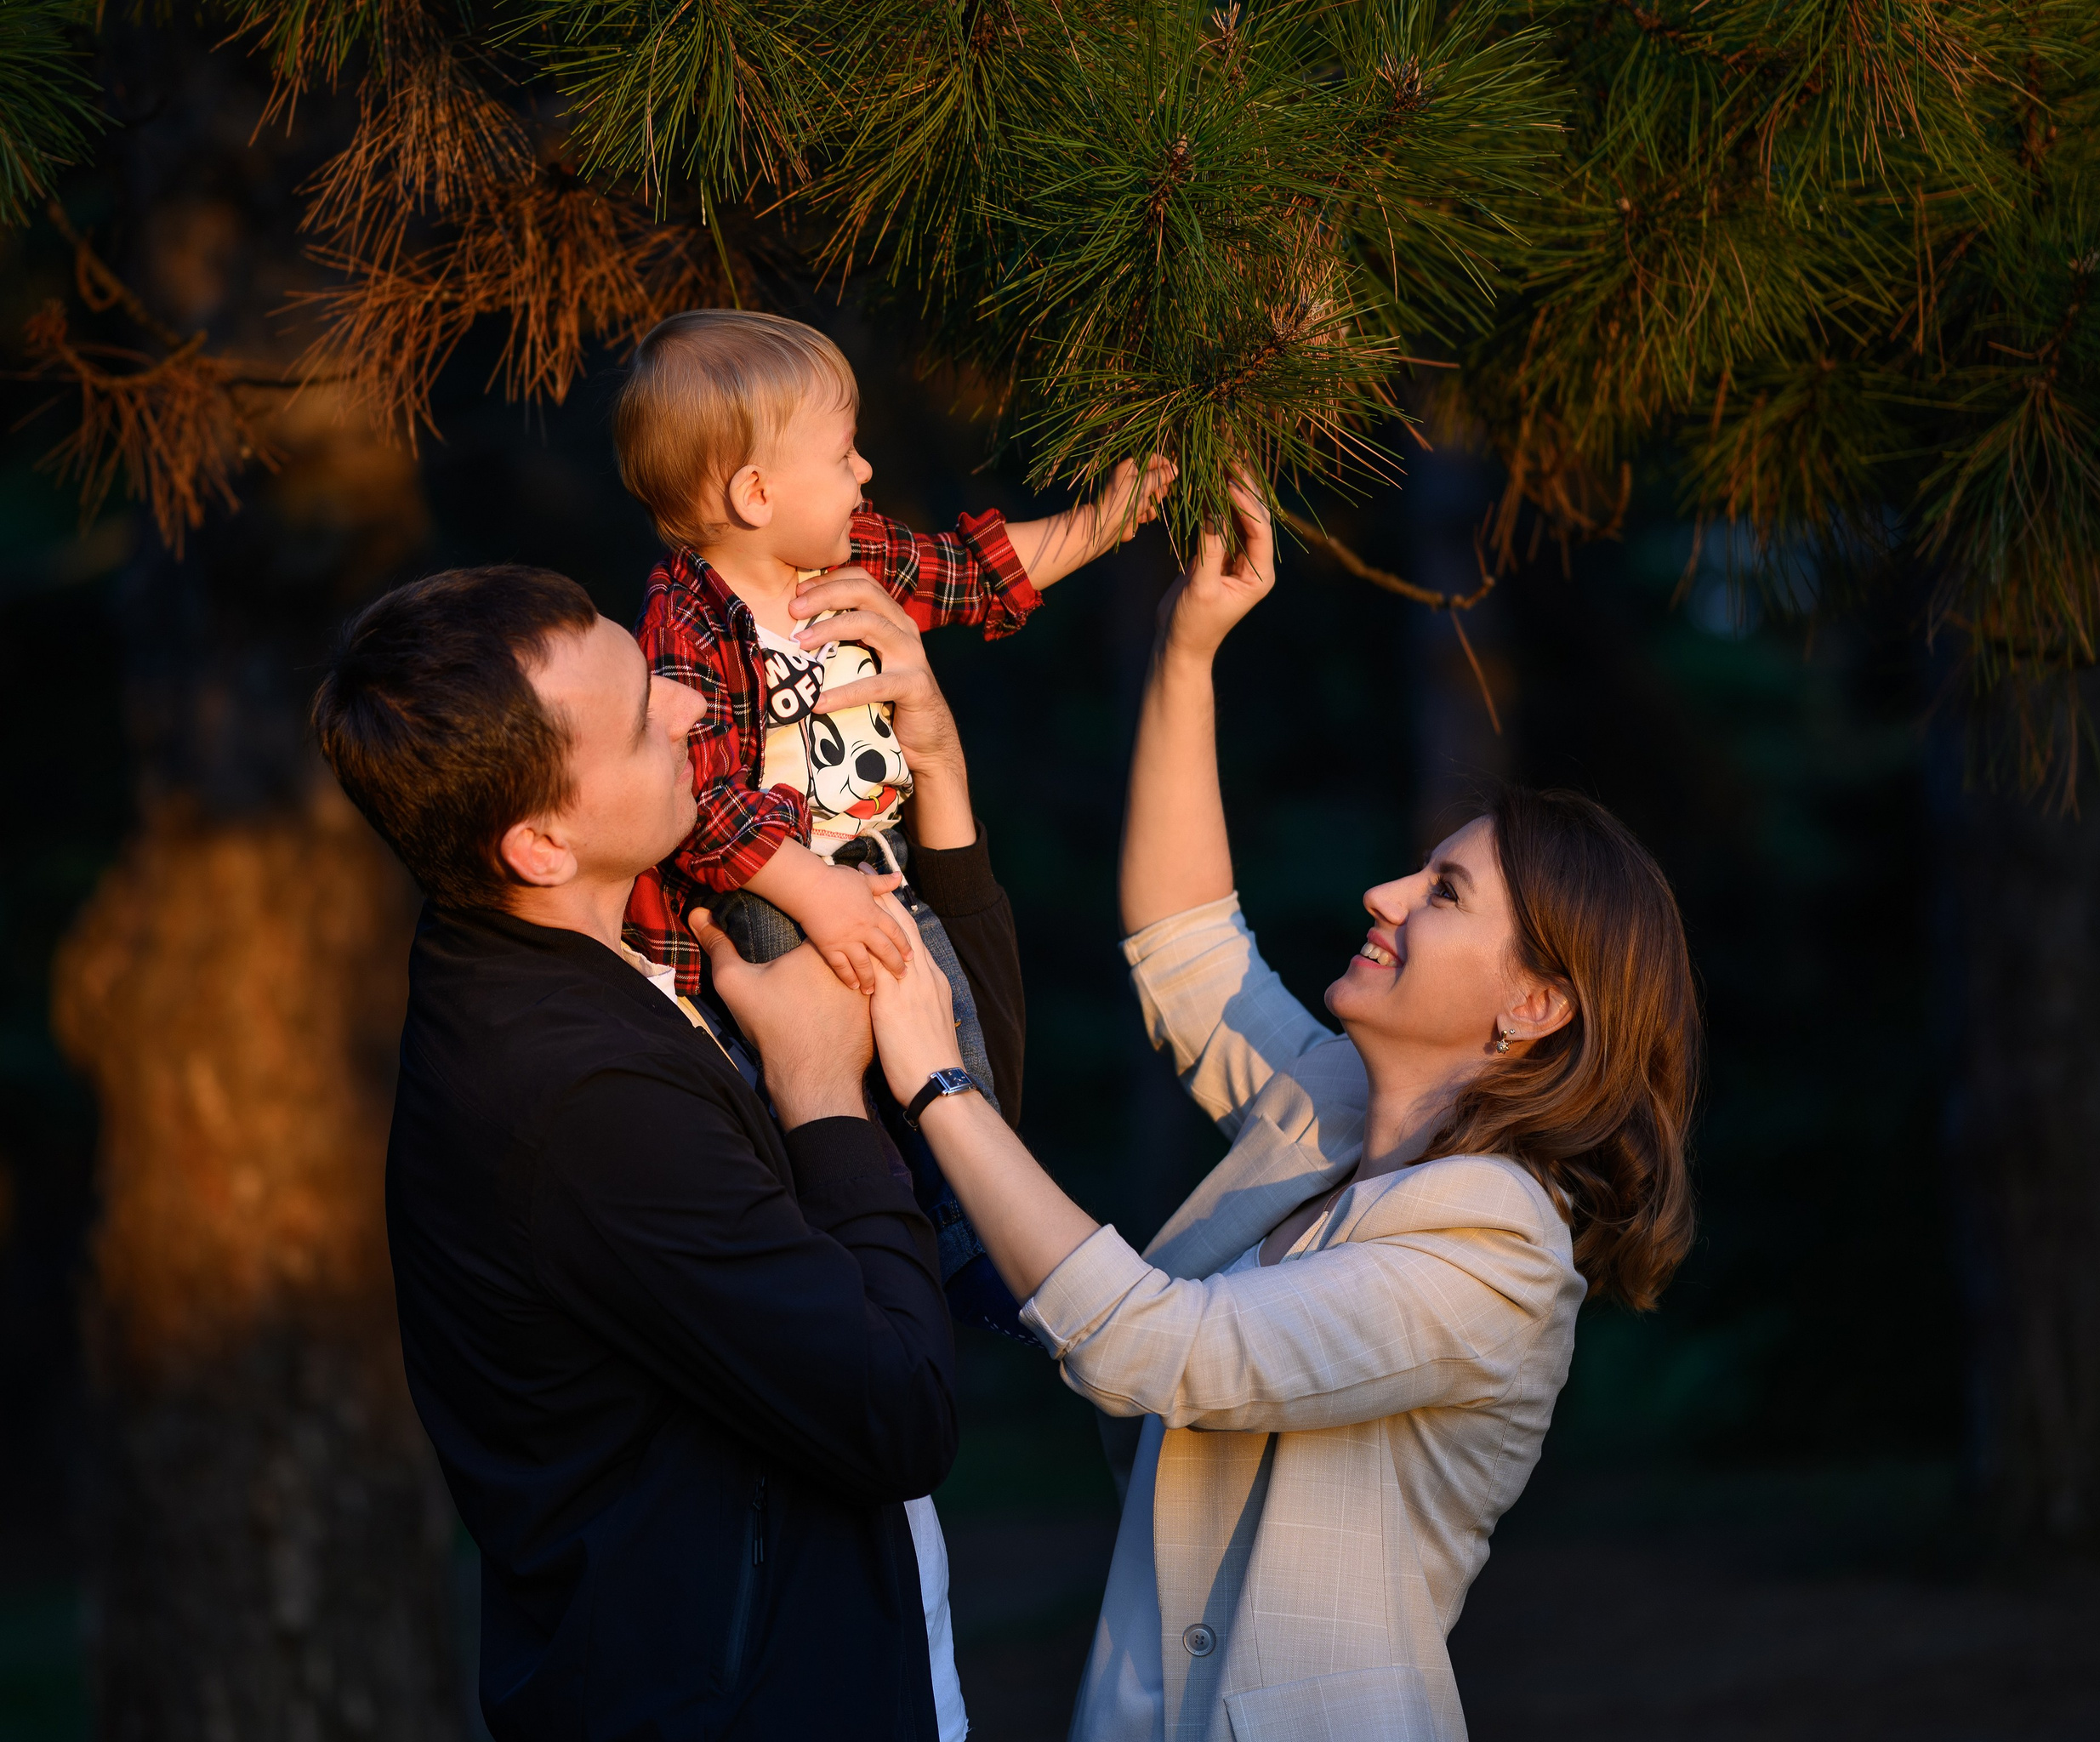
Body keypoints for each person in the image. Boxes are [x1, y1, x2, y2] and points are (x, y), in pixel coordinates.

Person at [808, 481, 1702, 1741]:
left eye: (1443, 894)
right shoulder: (1341, 1116)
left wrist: (936, 1082)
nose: (1386, 893)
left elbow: (1159, 1347)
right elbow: (1190, 952)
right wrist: (1189, 648)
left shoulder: (1497, 1249)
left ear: (1534, 1006)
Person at [311, 562, 1016, 1740]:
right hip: (745, 1702)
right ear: (539, 843)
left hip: (821, 1654)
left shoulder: (586, 943)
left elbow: (982, 1097)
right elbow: (899, 1409)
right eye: (645, 722)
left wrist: (935, 770)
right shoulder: (582, 1099)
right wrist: (817, 1091)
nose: (693, 709)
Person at [613, 307, 1172, 1329]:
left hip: (884, 870)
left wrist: (1111, 517)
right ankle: (856, 1227)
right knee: (802, 1046)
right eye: (843, 453)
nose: (868, 470)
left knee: (949, 1024)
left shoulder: (851, 556)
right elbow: (695, 803)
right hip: (766, 892)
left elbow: (974, 573)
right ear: (754, 492)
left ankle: (978, 1231)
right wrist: (809, 889)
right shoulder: (688, 616)